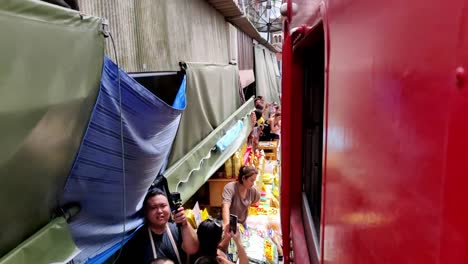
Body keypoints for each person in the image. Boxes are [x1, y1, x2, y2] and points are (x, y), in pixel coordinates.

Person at [117, 188, 199, 264]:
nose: (159, 211)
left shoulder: (178, 228)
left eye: (163, 206)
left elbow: (192, 250)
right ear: (146, 212)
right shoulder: (137, 239)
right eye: (153, 207)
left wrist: (185, 224)